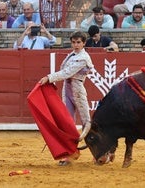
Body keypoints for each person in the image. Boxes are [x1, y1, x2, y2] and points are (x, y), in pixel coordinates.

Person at [38, 31, 94, 166]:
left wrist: (49, 78)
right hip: (67, 88)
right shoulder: (72, 55)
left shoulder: (83, 57)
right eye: (74, 42)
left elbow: (67, 72)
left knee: (87, 123)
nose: (76, 45)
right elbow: (65, 72)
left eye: (79, 42)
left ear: (84, 43)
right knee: (67, 123)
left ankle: (99, 152)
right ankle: (69, 154)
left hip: (77, 89)